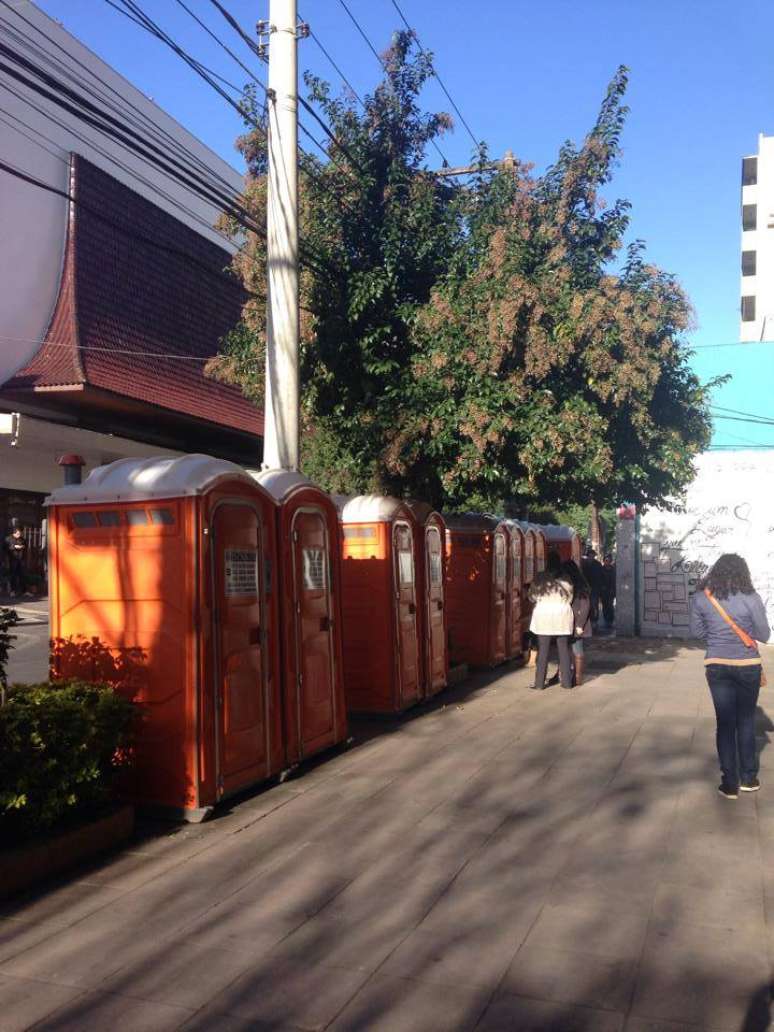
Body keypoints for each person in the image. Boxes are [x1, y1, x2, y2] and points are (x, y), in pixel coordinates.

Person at [690, 554, 771, 799]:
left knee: (725, 724)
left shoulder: (701, 597)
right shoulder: (752, 598)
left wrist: (717, 638)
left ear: (715, 572)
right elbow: (764, 634)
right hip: (748, 664)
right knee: (746, 721)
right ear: (742, 573)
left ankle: (729, 783)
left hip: (717, 664)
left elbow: (696, 632)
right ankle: (749, 778)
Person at [528, 550, 574, 690]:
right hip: (562, 615)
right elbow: (570, 597)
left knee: (543, 651)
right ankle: (566, 683)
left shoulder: (540, 577)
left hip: (543, 615)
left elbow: (532, 597)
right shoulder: (566, 577)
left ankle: (539, 684)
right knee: (563, 649)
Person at [581, 547, 604, 626]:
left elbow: (601, 576)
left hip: (595, 588)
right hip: (586, 588)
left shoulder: (598, 564)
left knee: (594, 605)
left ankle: (594, 621)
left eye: (593, 555)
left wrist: (600, 588)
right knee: (586, 605)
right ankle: (588, 621)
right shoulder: (583, 564)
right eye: (590, 555)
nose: (591, 556)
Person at [4, 520, 27, 598]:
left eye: (20, 533)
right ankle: (12, 591)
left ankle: (24, 591)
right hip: (12, 559)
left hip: (21, 559)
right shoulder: (8, 539)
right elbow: (6, 548)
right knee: (12, 575)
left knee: (22, 575)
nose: (19, 535)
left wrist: (23, 547)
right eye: (18, 533)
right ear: (14, 532)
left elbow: (25, 547)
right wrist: (14, 547)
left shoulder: (22, 539)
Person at [601, 553, 616, 627]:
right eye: (606, 560)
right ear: (604, 561)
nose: (607, 562)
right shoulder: (601, 569)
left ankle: (610, 620)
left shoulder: (613, 569)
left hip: (611, 591)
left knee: (610, 606)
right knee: (605, 606)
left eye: (609, 560)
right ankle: (606, 620)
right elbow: (599, 580)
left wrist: (613, 589)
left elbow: (614, 580)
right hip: (603, 592)